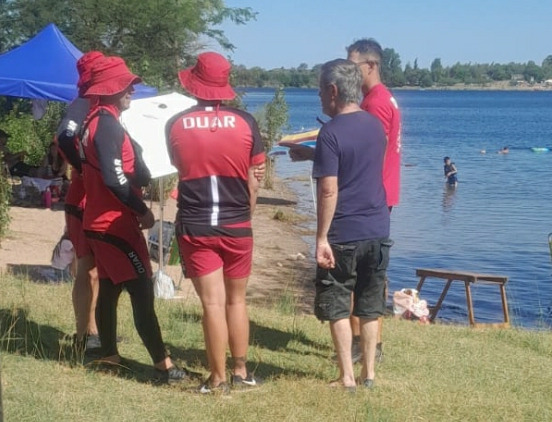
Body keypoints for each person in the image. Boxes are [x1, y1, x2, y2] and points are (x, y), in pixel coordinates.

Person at [80, 55, 189, 383]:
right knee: (142, 292)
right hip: (115, 223)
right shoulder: (107, 125)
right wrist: (142, 210)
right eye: (126, 85)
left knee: (111, 288)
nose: (132, 89)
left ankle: (109, 354)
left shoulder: (95, 120)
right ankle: (163, 366)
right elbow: (114, 180)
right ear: (110, 89)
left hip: (99, 221)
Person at [166, 52, 265, 393]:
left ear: (194, 84)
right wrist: (246, 210)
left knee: (211, 303)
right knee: (236, 300)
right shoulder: (246, 122)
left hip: (196, 223)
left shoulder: (175, 124)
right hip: (237, 222)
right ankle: (240, 370)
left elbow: (179, 164)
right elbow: (255, 178)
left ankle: (218, 377)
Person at [312, 58, 391, 390]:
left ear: (333, 91)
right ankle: (369, 374)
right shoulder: (375, 125)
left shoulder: (329, 132)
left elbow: (329, 188)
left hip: (344, 232)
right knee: (371, 305)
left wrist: (321, 237)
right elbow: (363, 167)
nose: (319, 98)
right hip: (378, 228)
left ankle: (346, 377)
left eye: (320, 91)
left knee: (338, 304)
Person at [346, 38, 402, 364]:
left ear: (370, 65)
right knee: (370, 271)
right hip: (379, 194)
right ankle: (370, 344)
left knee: (360, 272)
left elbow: (368, 150)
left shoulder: (376, 102)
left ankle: (363, 344)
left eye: (352, 65)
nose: (348, 71)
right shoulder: (378, 98)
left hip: (371, 196)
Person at [56, 51, 104, 354]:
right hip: (83, 195)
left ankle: (93, 329)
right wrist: (84, 168)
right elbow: (63, 137)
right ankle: (84, 332)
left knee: (96, 270)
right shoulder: (84, 103)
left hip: (90, 194)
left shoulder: (96, 105)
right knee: (88, 269)